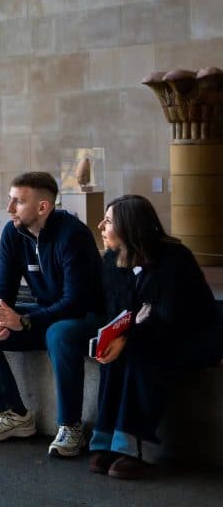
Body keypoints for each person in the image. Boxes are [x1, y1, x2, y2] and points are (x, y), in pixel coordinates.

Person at [0, 172, 104, 457]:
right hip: (46, 312)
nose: (10, 208)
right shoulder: (13, 233)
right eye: (11, 200)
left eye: (18, 202)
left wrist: (25, 320)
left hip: (87, 316)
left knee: (59, 332)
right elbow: (3, 288)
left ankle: (71, 426)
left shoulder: (72, 234)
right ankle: (13, 415)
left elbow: (75, 302)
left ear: (43, 207)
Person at [89, 195, 223, 479]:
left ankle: (138, 449)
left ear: (130, 226)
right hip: (147, 333)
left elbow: (169, 321)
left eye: (109, 221)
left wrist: (128, 337)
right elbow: (120, 311)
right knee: (112, 357)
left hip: (192, 338)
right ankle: (109, 441)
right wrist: (116, 338)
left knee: (140, 355)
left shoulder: (174, 259)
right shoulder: (113, 259)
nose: (100, 226)